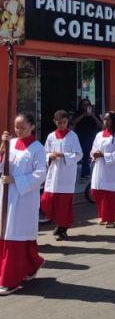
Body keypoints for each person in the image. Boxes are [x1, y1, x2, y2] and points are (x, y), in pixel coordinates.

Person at [0, 112, 47, 295]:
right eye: (16, 127)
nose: (18, 130)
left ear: (32, 127)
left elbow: (40, 174)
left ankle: (11, 280)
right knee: (8, 234)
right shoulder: (10, 143)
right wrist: (2, 148)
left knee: (16, 236)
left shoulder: (37, 148)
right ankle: (32, 264)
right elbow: (2, 166)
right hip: (6, 194)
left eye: (22, 127)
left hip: (24, 198)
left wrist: (16, 180)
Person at [40, 110, 83, 240]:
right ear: (55, 122)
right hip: (53, 174)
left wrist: (64, 155)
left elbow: (79, 154)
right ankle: (58, 223)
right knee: (47, 200)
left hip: (66, 175)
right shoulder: (51, 136)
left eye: (64, 122)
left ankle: (63, 228)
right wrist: (49, 156)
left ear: (67, 121)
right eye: (59, 122)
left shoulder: (73, 136)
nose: (62, 125)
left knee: (63, 204)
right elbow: (45, 152)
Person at [90, 112, 115, 227]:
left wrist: (103, 155)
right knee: (97, 192)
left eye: (108, 119)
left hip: (111, 169)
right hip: (99, 167)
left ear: (113, 121)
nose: (105, 121)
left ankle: (111, 219)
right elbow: (93, 149)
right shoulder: (99, 135)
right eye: (104, 119)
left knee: (110, 195)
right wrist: (94, 154)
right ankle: (103, 216)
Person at [71, 98, 102, 179]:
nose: (86, 106)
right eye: (84, 105)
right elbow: (73, 123)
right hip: (81, 137)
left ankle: (88, 173)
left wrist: (93, 116)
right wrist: (83, 115)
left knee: (88, 154)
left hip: (92, 137)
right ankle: (84, 173)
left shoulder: (94, 113)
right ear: (81, 106)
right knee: (83, 154)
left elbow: (101, 125)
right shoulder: (78, 113)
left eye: (88, 105)